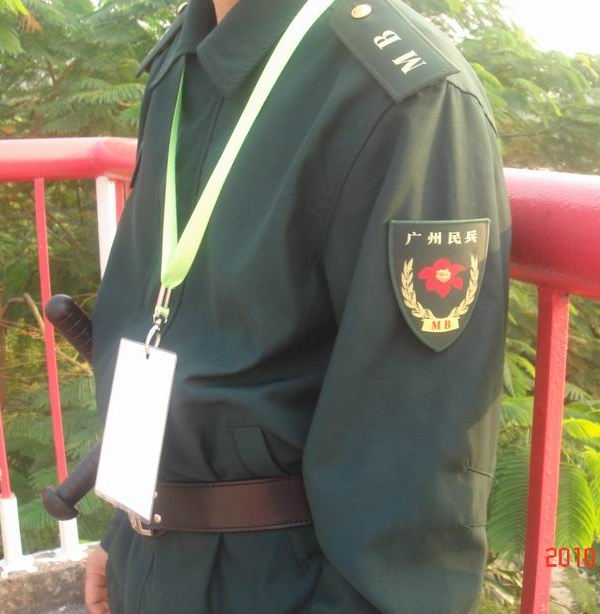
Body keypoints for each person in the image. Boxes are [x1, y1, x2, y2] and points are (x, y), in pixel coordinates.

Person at [85, 0, 511, 612]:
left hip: (279, 585)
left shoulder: (403, 97)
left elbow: (411, 479)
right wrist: (125, 533)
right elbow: (166, 320)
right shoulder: (182, 57)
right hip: (147, 554)